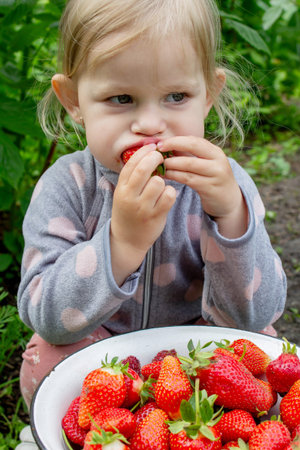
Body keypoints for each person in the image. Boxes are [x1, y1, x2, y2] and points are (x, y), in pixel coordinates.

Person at [17, 0, 287, 408]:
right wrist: (121, 243)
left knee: (265, 353)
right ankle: (106, 425)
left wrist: (230, 217)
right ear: (73, 100)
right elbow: (47, 317)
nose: (149, 124)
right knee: (45, 365)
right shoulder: (67, 187)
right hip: (105, 355)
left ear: (209, 94)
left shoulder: (225, 185)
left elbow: (254, 316)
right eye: (121, 98)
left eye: (176, 96)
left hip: (199, 349)